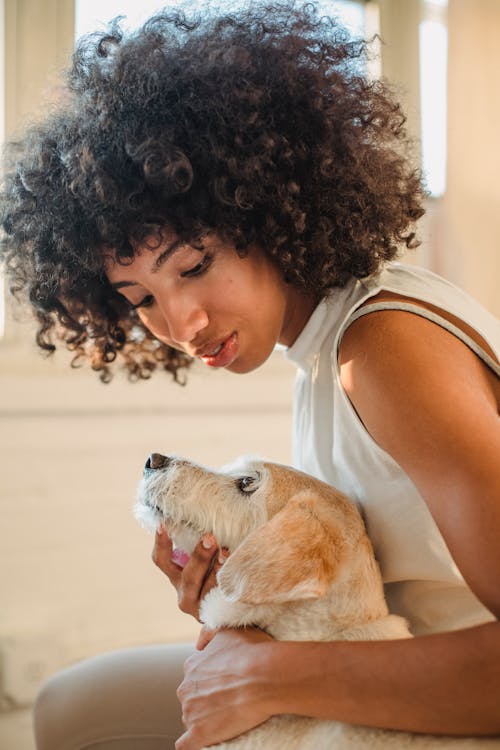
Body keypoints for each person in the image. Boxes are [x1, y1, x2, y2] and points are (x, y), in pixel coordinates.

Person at [1, 3, 499, 749]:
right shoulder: (326, 348)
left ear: (266, 206)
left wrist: (272, 676)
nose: (180, 324)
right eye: (141, 300)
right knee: (73, 704)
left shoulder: (385, 351)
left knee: (81, 714)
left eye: (195, 266)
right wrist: (253, 594)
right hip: (391, 669)